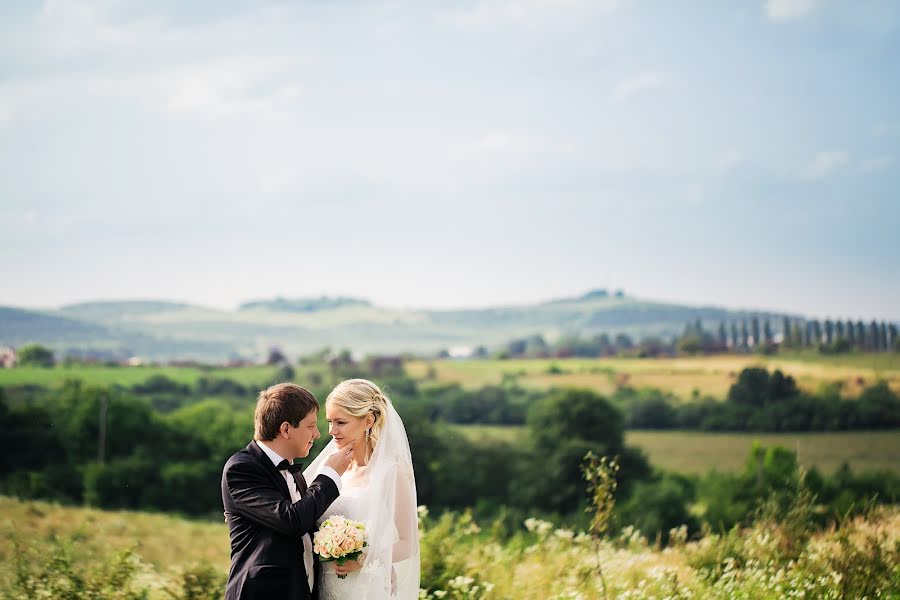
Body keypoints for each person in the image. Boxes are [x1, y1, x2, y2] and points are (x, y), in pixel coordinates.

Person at [222, 383, 356, 600]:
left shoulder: (294, 473)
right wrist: (330, 475)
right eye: (311, 426)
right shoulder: (242, 468)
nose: (318, 433)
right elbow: (291, 520)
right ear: (285, 429)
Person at [304, 379, 419, 599]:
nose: (331, 430)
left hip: (366, 588)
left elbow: (409, 543)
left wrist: (363, 559)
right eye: (329, 421)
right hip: (325, 586)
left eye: (340, 422)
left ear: (367, 420)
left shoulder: (390, 473)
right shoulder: (330, 468)